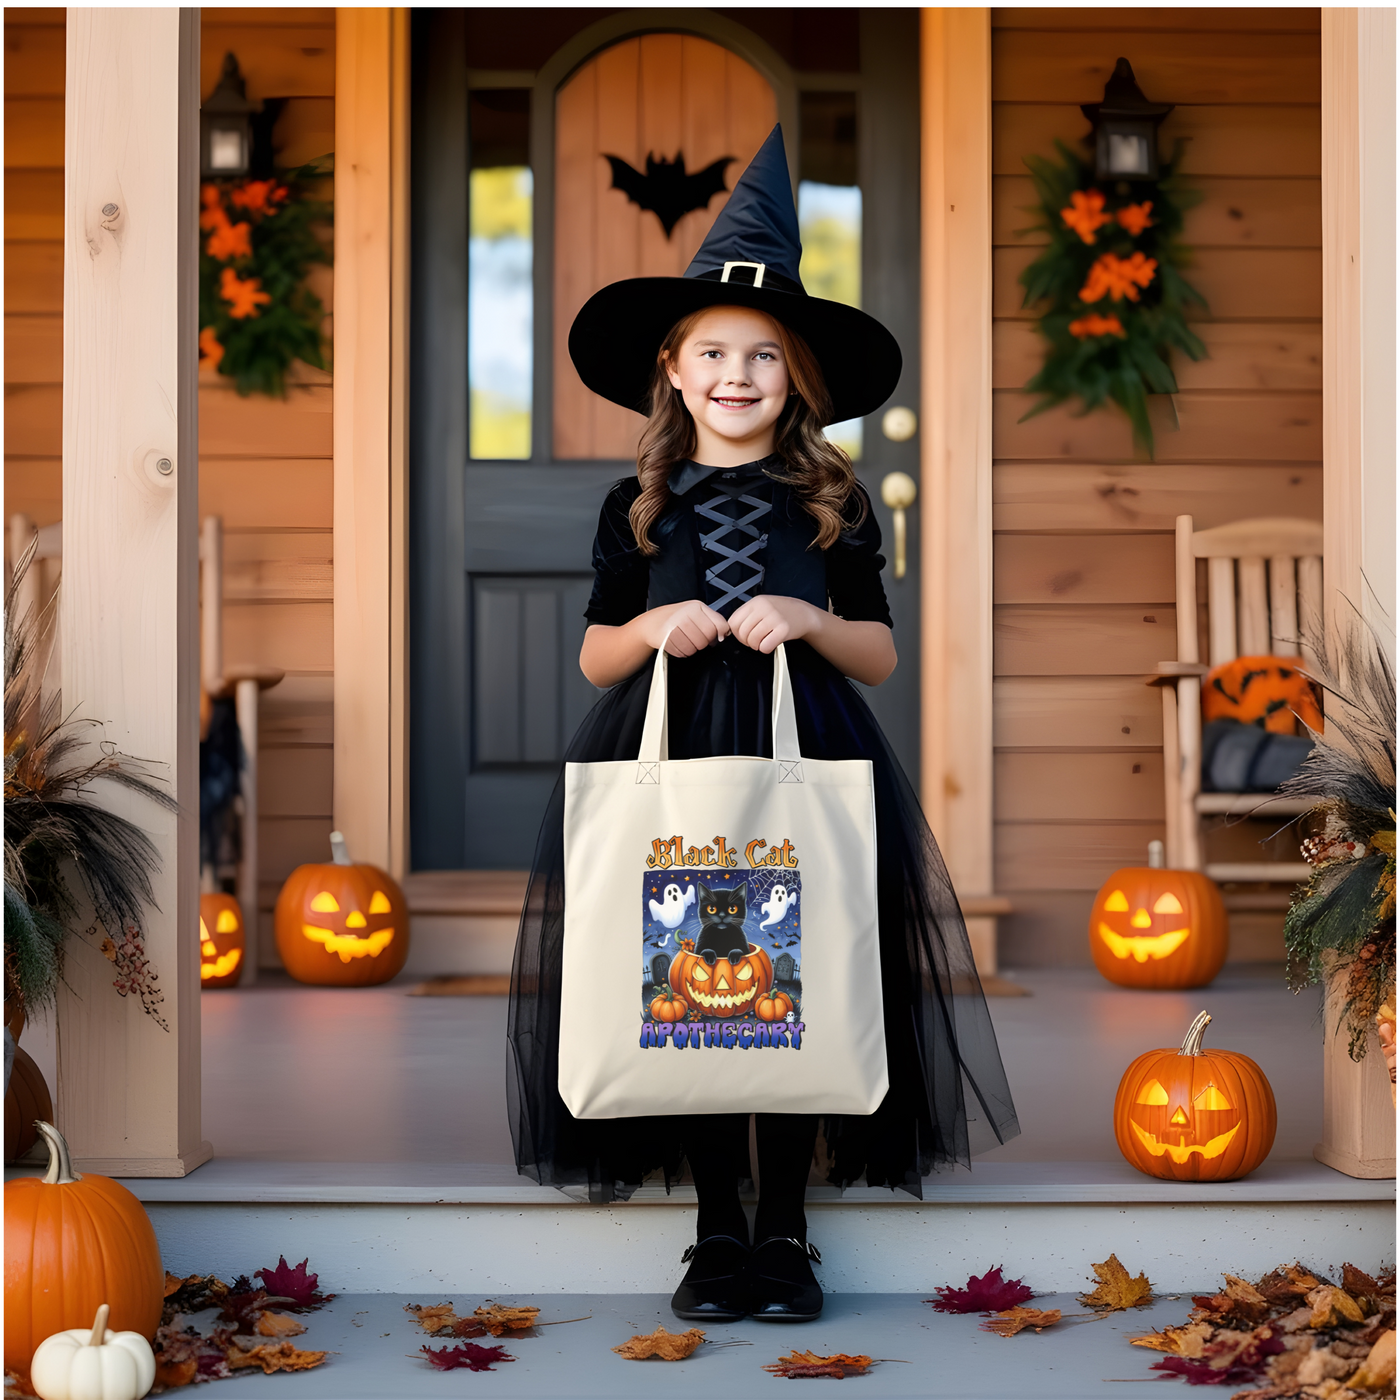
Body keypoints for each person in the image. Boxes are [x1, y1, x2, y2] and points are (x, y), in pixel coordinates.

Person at [508, 126, 1019, 1323]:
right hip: (674, 755)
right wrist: (653, 629)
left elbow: (879, 652)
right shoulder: (632, 507)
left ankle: (784, 1225)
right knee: (683, 988)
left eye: (763, 357)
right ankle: (711, 1230)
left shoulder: (829, 500)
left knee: (789, 983)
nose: (737, 374)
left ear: (796, 379)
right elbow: (592, 649)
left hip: (808, 757)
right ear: (672, 371)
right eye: (712, 352)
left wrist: (803, 613)